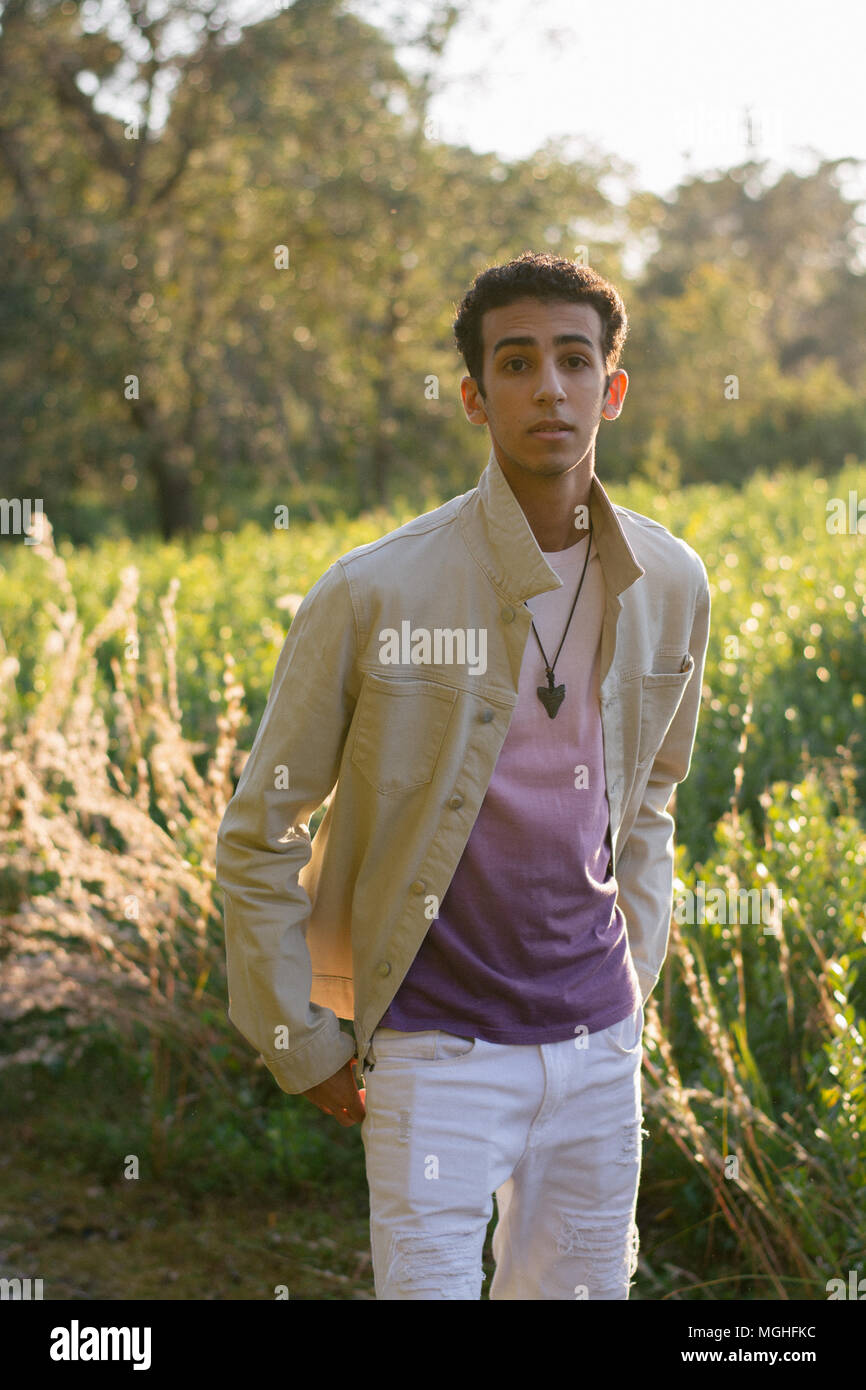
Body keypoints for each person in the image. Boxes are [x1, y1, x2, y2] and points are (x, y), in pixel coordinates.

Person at [215, 251, 711, 1300]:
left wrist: (639, 970)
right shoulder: (372, 591)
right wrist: (294, 1036)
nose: (549, 387)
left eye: (574, 361)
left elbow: (655, 792)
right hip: (431, 1051)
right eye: (517, 362)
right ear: (473, 396)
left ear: (610, 389)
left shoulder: (669, 581)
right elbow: (261, 829)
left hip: (595, 1046)